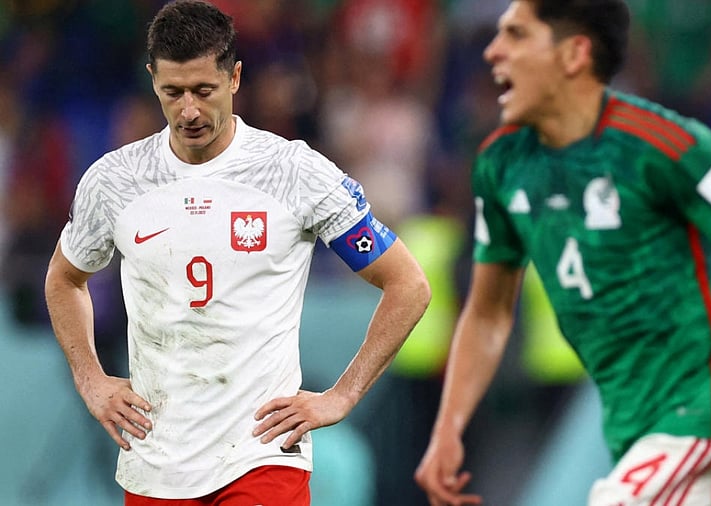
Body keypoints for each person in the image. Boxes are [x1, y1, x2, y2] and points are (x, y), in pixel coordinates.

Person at [414, 1, 711, 505]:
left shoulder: (666, 145)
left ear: (574, 54)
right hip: (632, 436)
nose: (493, 52)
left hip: (702, 426)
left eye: (516, 35)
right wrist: (449, 428)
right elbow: (490, 311)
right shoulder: (502, 164)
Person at [43, 1, 430, 504]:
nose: (189, 111)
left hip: (261, 456)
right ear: (152, 80)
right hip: (156, 461)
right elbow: (63, 279)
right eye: (172, 92)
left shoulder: (293, 172)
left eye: (203, 91)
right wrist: (91, 380)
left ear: (235, 78)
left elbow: (408, 284)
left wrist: (343, 395)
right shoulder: (116, 181)